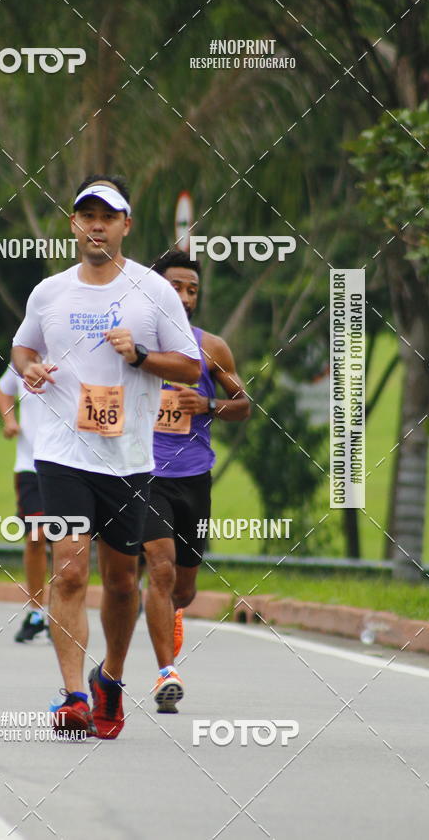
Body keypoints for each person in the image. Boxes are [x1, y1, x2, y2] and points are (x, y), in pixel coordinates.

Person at [12, 175, 200, 739]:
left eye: (107, 216)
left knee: (122, 582)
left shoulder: (153, 291)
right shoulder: (49, 292)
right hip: (62, 452)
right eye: (86, 215)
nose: (96, 225)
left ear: (126, 225)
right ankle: (73, 696)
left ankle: (110, 680)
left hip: (129, 459)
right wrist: (29, 367)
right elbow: (24, 345)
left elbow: (190, 367)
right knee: (69, 568)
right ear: (74, 224)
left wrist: (141, 356)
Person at [141, 249, 251, 712]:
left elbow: (244, 405)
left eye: (192, 290)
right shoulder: (137, 348)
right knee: (160, 571)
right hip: (144, 476)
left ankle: (172, 617)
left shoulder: (212, 348)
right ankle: (167, 673)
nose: (184, 297)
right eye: (175, 288)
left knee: (183, 588)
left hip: (194, 480)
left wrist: (206, 406)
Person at [0, 365, 50, 643]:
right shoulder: (23, 359)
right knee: (37, 536)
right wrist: (9, 420)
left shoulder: (76, 351)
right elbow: (3, 390)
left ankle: (61, 612)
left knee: (71, 541)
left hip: (71, 464)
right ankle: (37, 611)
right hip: (30, 465)